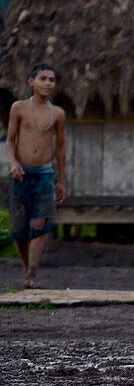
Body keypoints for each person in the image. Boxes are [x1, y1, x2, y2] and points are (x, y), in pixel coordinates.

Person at [6, 64, 66, 289]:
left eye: (51, 79)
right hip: (21, 174)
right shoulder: (19, 108)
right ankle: (25, 267)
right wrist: (13, 162)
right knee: (19, 229)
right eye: (43, 78)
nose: (48, 83)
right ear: (31, 82)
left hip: (44, 174)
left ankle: (32, 274)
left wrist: (61, 181)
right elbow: (10, 140)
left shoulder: (58, 113)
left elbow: (60, 148)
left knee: (40, 223)